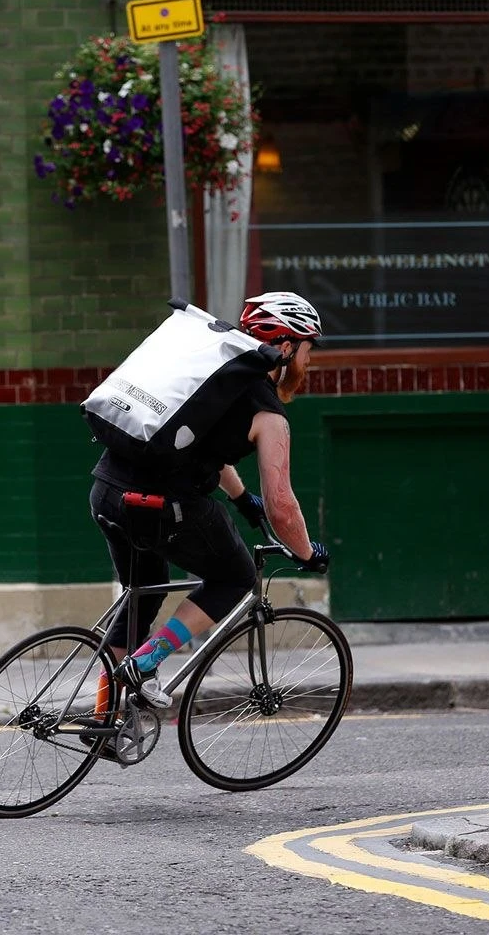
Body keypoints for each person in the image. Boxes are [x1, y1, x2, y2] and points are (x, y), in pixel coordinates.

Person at [87, 291, 331, 724]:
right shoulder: (267, 412)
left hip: (107, 490)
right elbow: (282, 506)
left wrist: (240, 498)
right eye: (308, 349)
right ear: (288, 347)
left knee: (142, 593)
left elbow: (201, 448)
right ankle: (146, 664)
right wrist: (307, 553)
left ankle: (104, 716)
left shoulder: (212, 371)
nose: (308, 363)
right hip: (163, 506)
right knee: (233, 576)